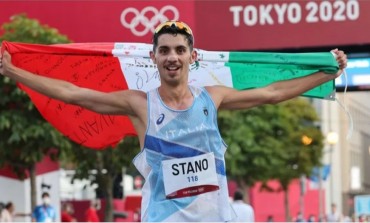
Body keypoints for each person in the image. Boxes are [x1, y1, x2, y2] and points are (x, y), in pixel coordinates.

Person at [0, 20, 347, 222]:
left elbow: (273, 92)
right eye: (164, 50)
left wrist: (326, 72)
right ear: (153, 58)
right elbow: (72, 93)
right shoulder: (139, 104)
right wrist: (14, 71)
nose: (172, 57)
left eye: (180, 50)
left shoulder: (214, 97)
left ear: (192, 57)